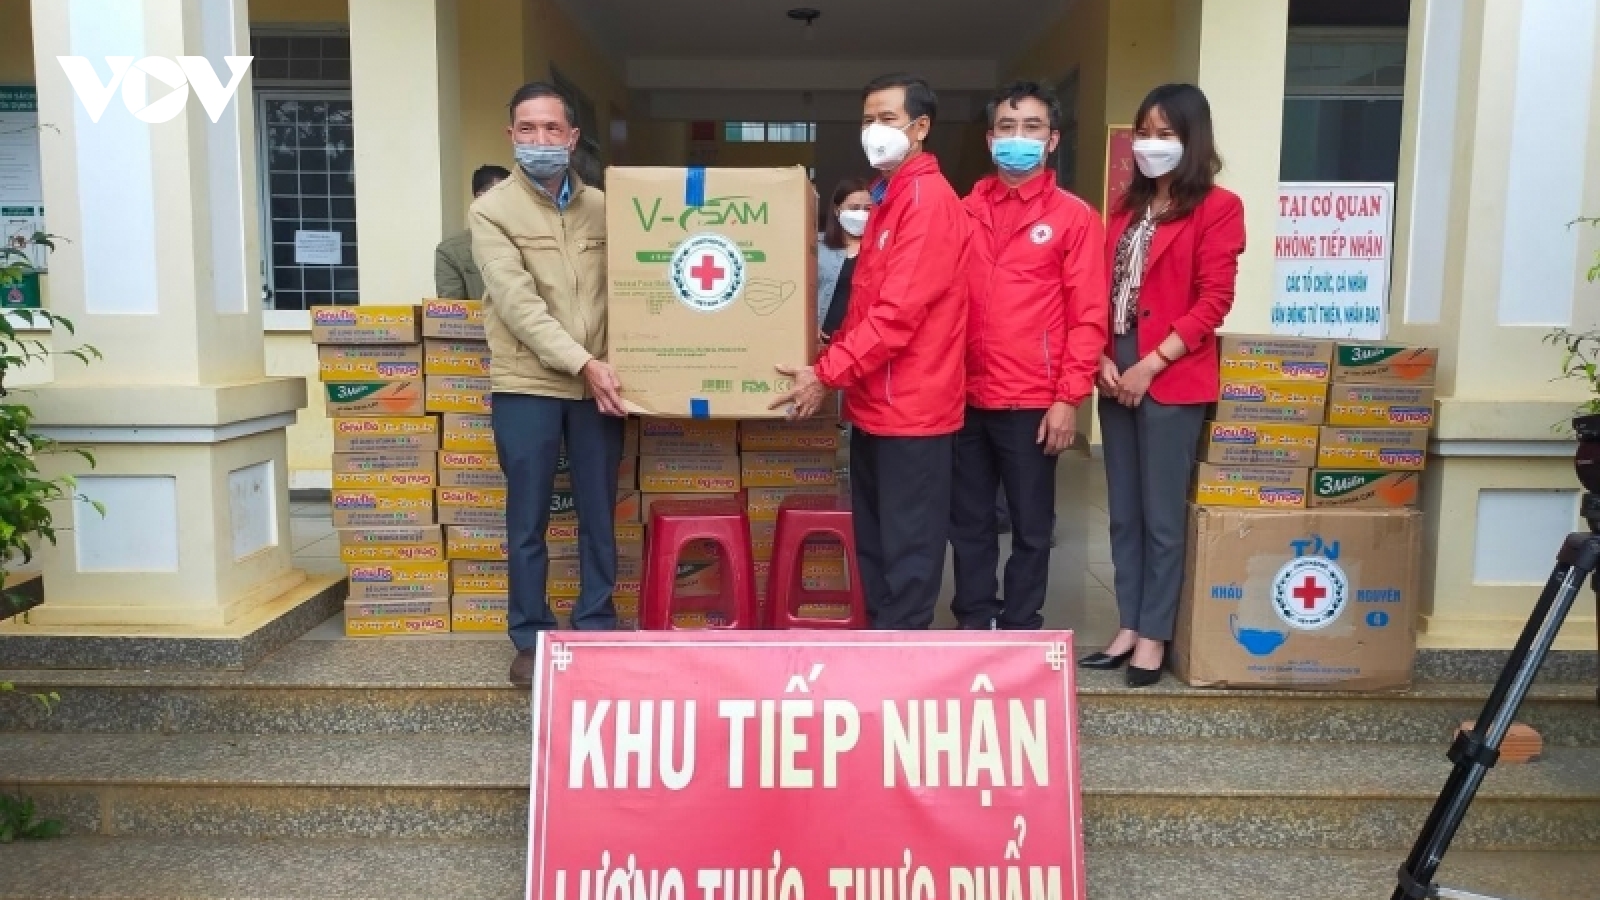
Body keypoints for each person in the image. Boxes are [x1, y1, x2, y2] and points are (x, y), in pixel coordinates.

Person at [772, 73, 971, 631]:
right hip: (876, 405)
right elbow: (865, 309)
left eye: (887, 119)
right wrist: (828, 356)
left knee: (908, 548)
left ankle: (902, 652)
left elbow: (896, 316)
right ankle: (881, 642)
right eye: (867, 120)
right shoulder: (888, 198)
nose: (873, 131)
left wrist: (825, 375)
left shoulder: (926, 201)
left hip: (914, 409)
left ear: (920, 127)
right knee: (877, 542)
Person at [1078, 83, 1245, 686]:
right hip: (1115, 365)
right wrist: (1100, 356)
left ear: (1192, 139)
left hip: (1170, 369)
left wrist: (1151, 364)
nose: (1151, 144)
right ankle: (1128, 623)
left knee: (1161, 516)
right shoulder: (1126, 209)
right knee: (1122, 511)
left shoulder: (1219, 207)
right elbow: (1098, 290)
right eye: (1143, 133)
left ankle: (1154, 633)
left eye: (1165, 134)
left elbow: (1213, 301)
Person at [471, 83, 625, 686]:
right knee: (528, 517)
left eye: (552, 129)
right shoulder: (491, 211)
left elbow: (635, 288)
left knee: (598, 511)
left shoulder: (606, 208)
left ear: (572, 137)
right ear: (510, 135)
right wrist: (583, 362)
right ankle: (531, 636)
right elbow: (518, 305)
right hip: (528, 382)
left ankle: (596, 623)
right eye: (527, 129)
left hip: (597, 386)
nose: (540, 139)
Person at [951, 81, 1108, 631]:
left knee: (1031, 526)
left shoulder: (1075, 218)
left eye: (1032, 127)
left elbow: (1088, 317)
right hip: (962, 396)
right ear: (990, 138)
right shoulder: (962, 212)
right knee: (967, 523)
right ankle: (974, 619)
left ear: (1053, 140)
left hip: (1033, 401)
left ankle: (1020, 625)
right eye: (1007, 127)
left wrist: (1068, 399)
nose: (1019, 137)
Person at [435, 165, 510, 299]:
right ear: (481, 198)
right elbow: (451, 309)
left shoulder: (530, 242)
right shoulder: (451, 251)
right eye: (506, 196)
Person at [817, 177, 873, 343]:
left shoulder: (879, 248)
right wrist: (808, 325)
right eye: (854, 208)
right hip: (822, 340)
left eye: (867, 209)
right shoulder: (816, 246)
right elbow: (799, 291)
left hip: (861, 342)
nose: (861, 214)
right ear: (837, 210)